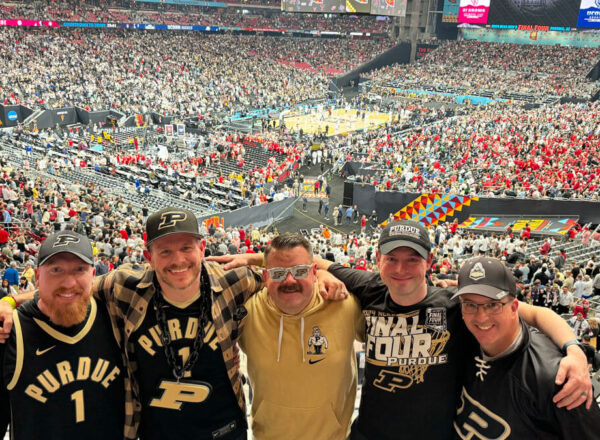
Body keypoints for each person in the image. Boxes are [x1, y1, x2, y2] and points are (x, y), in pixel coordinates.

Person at [215, 220, 592, 440]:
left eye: (412, 259)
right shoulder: (366, 289)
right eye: (391, 258)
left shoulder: (455, 305)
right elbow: (308, 263)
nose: (401, 268)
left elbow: (533, 313)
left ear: (428, 263)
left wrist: (575, 350)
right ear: (378, 261)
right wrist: (256, 258)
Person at [452, 256, 600, 438]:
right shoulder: (465, 336)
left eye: (493, 305)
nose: (481, 317)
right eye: (470, 305)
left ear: (515, 307)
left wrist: (574, 348)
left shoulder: (559, 380)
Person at [0, 231, 125, 439]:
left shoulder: (115, 315)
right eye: (56, 270)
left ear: (93, 275)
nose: (69, 283)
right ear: (37, 276)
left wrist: (11, 300)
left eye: (79, 269)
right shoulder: (9, 331)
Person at [238, 233, 363, 439]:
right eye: (278, 273)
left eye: (299, 271)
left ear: (314, 273)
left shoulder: (345, 304)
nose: (289, 280)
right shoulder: (247, 313)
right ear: (266, 276)